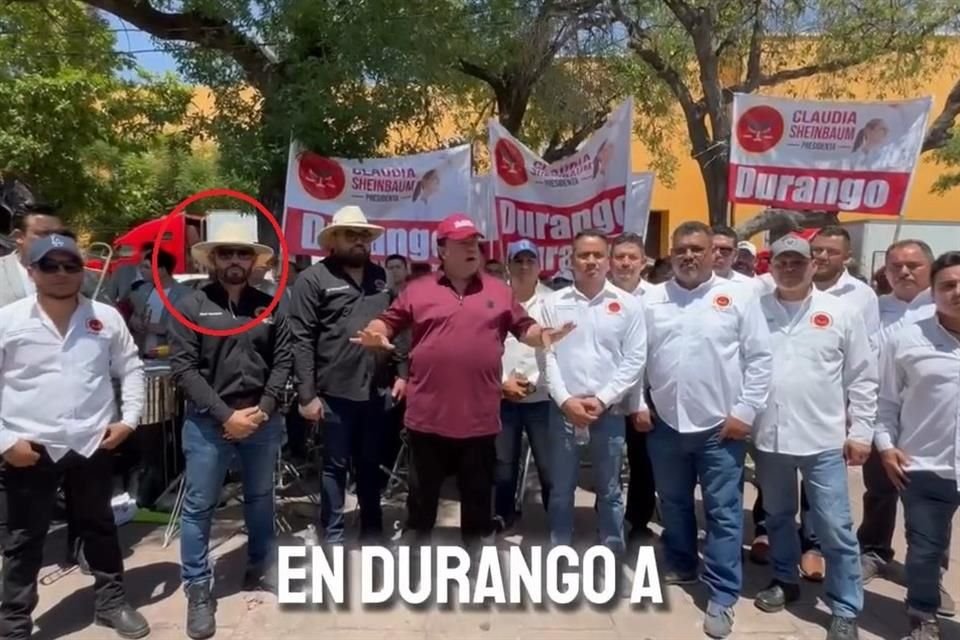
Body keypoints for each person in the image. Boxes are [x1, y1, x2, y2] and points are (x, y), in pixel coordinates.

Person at [351, 214, 573, 558]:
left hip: (480, 419)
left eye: (475, 242)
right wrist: (376, 332)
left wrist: (543, 337)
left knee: (477, 498)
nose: (473, 248)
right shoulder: (419, 289)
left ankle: (477, 558)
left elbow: (524, 327)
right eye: (463, 242)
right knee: (422, 500)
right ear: (442, 250)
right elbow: (389, 320)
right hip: (427, 417)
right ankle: (414, 559)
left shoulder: (499, 291)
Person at [0, 233, 149, 640]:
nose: (62, 274)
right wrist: (4, 442)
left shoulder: (104, 317)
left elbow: (131, 368)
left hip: (92, 442)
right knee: (22, 538)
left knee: (99, 526)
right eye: (50, 265)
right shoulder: (8, 320)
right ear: (31, 272)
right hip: (30, 447)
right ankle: (13, 622)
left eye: (71, 265)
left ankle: (111, 603)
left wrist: (130, 420)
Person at [641, 221, 773, 639]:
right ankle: (682, 564)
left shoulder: (738, 296)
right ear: (671, 253)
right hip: (665, 425)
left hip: (721, 429)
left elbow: (759, 358)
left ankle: (722, 594)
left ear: (713, 253)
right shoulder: (653, 300)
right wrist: (639, 404)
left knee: (723, 513)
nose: (689, 256)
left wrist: (745, 411)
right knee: (675, 503)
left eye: (697, 248)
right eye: (681, 249)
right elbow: (636, 359)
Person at [168, 223, 293, 640]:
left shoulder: (271, 303)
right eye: (227, 254)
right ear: (213, 260)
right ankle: (198, 589)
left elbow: (283, 361)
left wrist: (266, 408)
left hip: (261, 418)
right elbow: (183, 369)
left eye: (243, 254)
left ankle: (260, 565)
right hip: (208, 423)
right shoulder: (189, 304)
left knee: (260, 498)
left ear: (254, 261)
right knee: (200, 507)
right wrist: (226, 416)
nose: (235, 262)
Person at [751, 235, 876, 640]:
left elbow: (862, 376)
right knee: (779, 518)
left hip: (823, 440)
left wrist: (862, 432)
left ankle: (844, 606)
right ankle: (785, 580)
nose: (789, 268)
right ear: (771, 268)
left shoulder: (840, 312)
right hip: (770, 438)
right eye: (781, 262)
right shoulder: (755, 310)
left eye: (797, 261)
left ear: (812, 265)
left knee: (835, 526)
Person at [288, 206, 406, 544]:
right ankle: (334, 535)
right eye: (351, 234)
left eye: (364, 236)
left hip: (376, 390)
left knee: (370, 465)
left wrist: (401, 372)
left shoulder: (382, 279)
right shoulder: (314, 279)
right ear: (334, 239)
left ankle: (372, 528)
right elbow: (301, 339)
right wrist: (307, 395)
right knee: (334, 467)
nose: (359, 241)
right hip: (333, 392)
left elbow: (397, 329)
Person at [859, 240, 954, 616]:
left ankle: (930, 579)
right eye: (896, 265)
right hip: (881, 418)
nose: (903, 271)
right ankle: (873, 551)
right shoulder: (873, 309)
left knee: (931, 519)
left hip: (930, 431)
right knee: (878, 492)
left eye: (913, 265)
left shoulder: (944, 308)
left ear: (929, 270)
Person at [543, 230, 646, 561]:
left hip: (608, 412)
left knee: (611, 489)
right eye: (583, 255)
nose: (591, 261)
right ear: (571, 260)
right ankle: (560, 546)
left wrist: (603, 399)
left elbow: (634, 359)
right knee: (561, 489)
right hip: (563, 410)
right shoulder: (552, 304)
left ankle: (612, 546)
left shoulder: (628, 305)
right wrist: (565, 401)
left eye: (598, 255)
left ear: (608, 260)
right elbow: (546, 358)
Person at [494, 239, 554, 533]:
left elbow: (556, 350)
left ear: (539, 266)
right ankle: (504, 515)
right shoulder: (496, 300)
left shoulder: (553, 302)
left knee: (548, 465)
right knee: (503, 463)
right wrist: (503, 381)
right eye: (518, 260)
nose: (524, 266)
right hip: (503, 397)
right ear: (509, 265)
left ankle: (555, 519)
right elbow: (488, 347)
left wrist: (535, 383)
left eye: (530, 260)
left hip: (541, 398)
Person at [608, 232, 656, 541]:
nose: (626, 263)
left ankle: (638, 520)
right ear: (611, 262)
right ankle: (609, 520)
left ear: (643, 263)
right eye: (620, 257)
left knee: (643, 460)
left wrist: (641, 401)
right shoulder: (599, 295)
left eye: (632, 257)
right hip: (607, 393)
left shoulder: (658, 297)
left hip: (647, 393)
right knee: (608, 460)